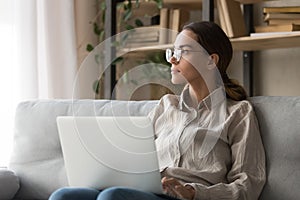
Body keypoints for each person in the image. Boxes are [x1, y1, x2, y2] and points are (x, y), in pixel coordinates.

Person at [49, 21, 266, 200]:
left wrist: (192, 192)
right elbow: (134, 156)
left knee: (113, 197)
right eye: (173, 51)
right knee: (64, 196)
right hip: (147, 190)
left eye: (184, 52)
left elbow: (248, 185)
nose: (172, 59)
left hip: (185, 198)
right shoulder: (166, 106)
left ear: (211, 61)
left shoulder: (238, 113)